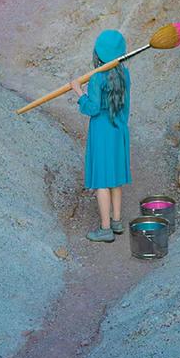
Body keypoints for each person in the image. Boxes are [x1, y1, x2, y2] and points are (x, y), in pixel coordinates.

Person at [70, 29, 131, 243]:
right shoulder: (125, 75)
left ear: (98, 54)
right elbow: (125, 106)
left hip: (102, 132)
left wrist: (78, 91)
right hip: (118, 129)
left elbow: (93, 108)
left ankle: (105, 229)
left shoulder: (96, 78)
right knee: (115, 177)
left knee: (102, 180)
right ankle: (117, 221)